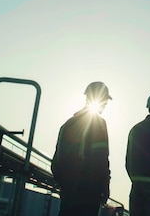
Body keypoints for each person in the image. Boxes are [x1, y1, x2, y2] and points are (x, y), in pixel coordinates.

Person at [51, 81, 112, 216]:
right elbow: (101, 158)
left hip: (68, 190)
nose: (105, 105)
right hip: (88, 192)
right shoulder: (98, 123)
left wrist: (63, 182)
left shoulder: (67, 124)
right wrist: (104, 186)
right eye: (105, 101)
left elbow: (56, 160)